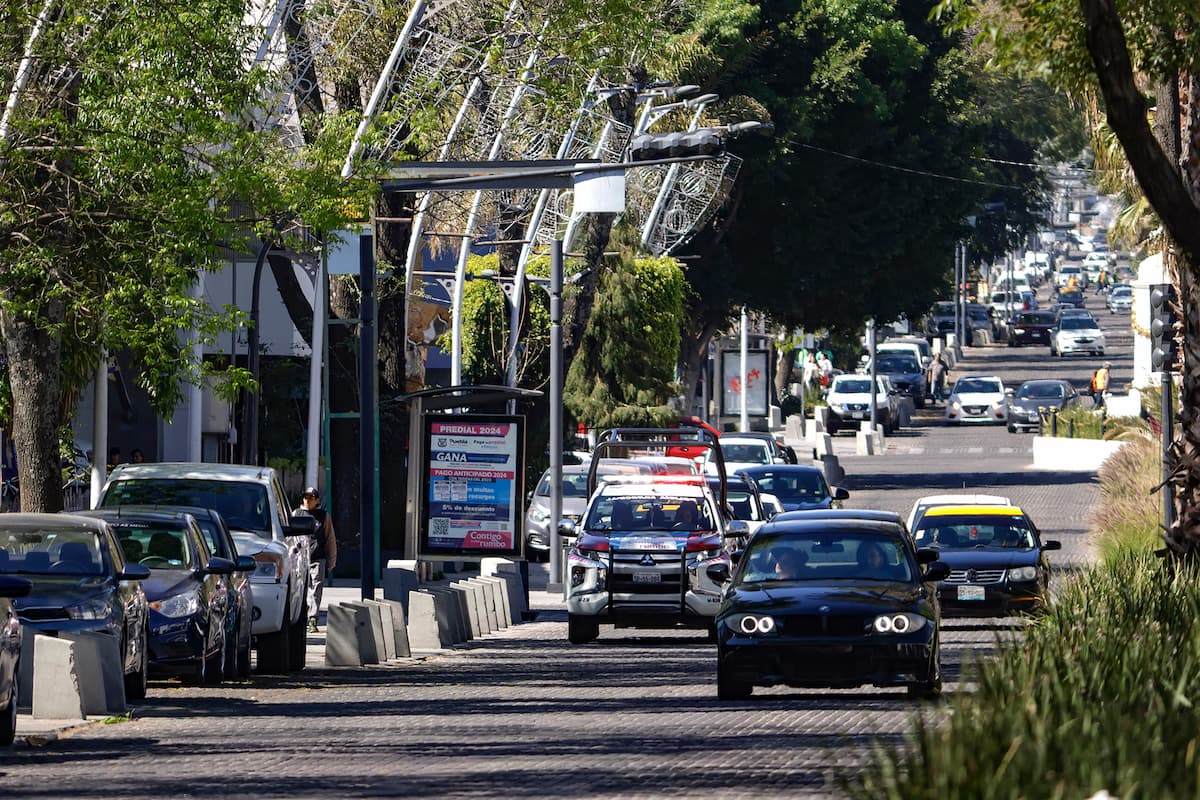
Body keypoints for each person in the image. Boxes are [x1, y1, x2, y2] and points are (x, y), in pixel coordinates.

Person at [294, 486, 337, 633]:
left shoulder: (324, 516)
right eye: (305, 497)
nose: (307, 500)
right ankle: (300, 616)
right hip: (299, 558)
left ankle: (313, 619)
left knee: (316, 587)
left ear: (317, 500)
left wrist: (332, 560)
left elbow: (330, 538)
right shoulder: (296, 514)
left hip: (317, 557)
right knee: (301, 588)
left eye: (311, 498)